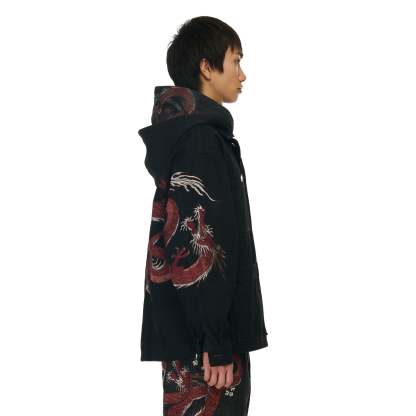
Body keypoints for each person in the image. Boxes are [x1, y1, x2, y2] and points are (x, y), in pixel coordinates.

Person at [138, 16, 269, 415]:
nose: (242, 75)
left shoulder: (195, 136)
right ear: (207, 67)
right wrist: (216, 341)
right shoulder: (200, 142)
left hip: (198, 339)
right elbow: (198, 242)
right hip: (208, 349)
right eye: (236, 61)